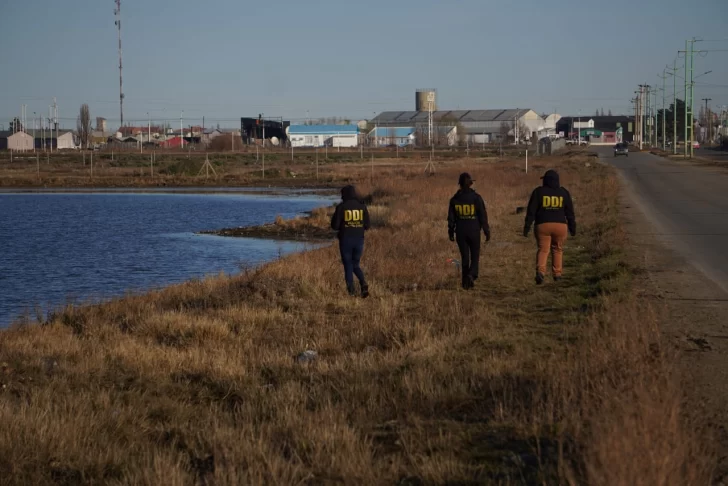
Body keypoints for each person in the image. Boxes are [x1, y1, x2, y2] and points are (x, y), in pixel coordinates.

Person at [523, 169, 576, 285]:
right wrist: (572, 228)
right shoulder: (564, 192)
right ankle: (557, 274)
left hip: (542, 225)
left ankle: (540, 272)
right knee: (557, 249)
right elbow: (570, 212)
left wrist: (527, 227)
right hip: (560, 226)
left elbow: (531, 211)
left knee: (543, 249)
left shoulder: (538, 192)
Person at [448, 172, 491, 289]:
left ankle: (465, 284)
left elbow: (451, 218)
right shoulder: (476, 198)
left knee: (465, 258)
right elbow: (482, 215)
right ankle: (472, 275)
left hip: (461, 232)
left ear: (460, 185)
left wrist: (450, 231)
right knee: (475, 256)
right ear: (471, 184)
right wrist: (486, 230)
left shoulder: (454, 200)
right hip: (474, 231)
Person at [331, 185, 371, 298]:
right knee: (355, 264)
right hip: (359, 240)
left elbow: (335, 226)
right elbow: (367, 225)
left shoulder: (341, 207)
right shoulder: (362, 206)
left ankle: (351, 292)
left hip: (346, 240)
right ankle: (363, 283)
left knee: (348, 265)